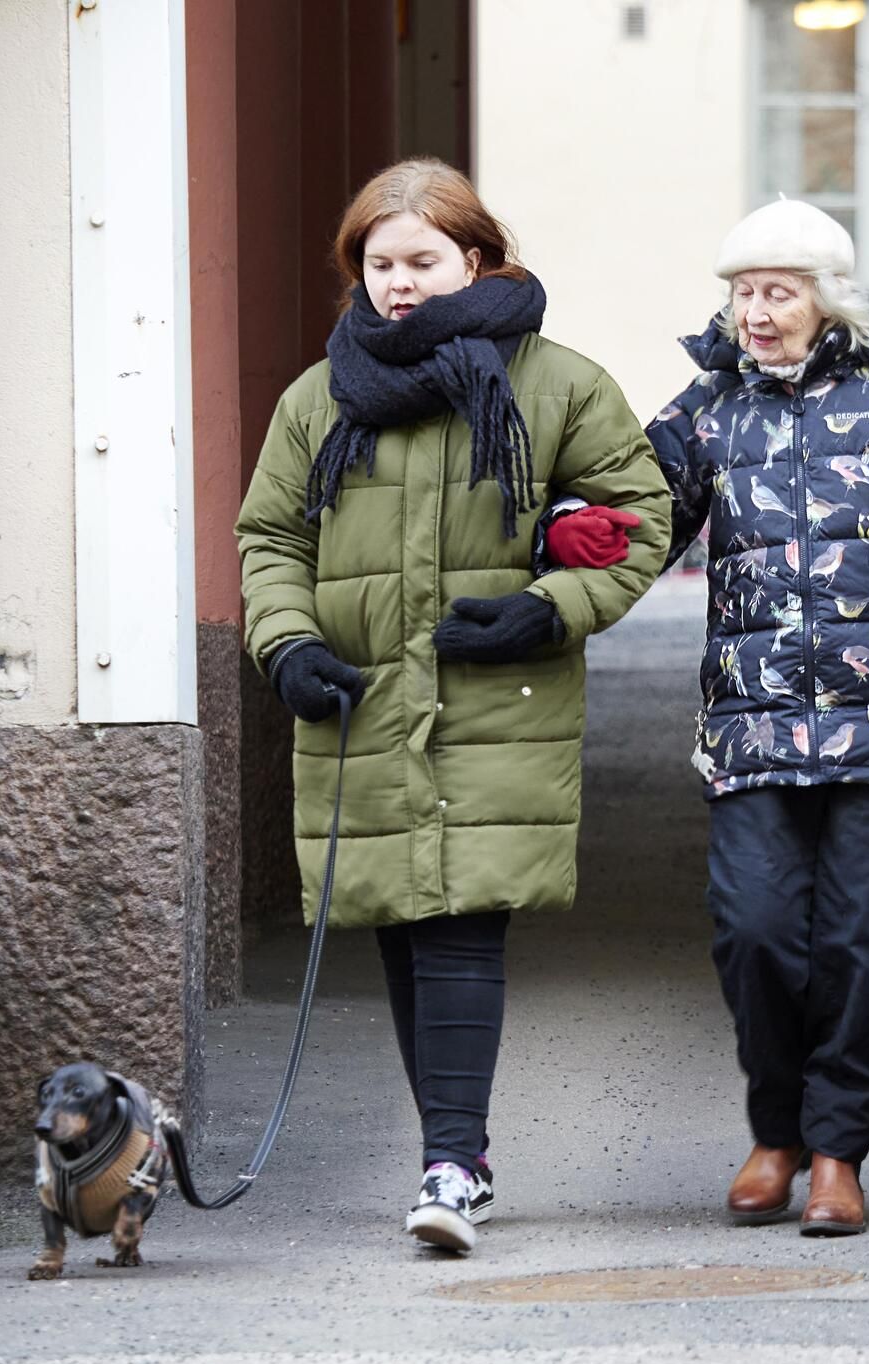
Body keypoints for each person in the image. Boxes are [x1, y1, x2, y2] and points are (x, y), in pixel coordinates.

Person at [235, 157, 671, 1256]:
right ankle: (452, 1156)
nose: (399, 284)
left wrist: (546, 608)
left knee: (462, 923)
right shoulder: (317, 397)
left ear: (474, 260)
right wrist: (289, 646)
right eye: (380, 264)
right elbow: (272, 538)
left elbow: (639, 518)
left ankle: (451, 1163)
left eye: (421, 262)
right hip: (367, 701)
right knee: (401, 921)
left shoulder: (559, 384)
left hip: (496, 698)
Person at [612, 199, 869, 1236]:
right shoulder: (711, 407)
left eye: (777, 292)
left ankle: (835, 1152)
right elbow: (636, 519)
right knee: (757, 931)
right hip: (757, 722)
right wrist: (558, 541)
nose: (755, 314)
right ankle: (776, 1130)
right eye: (741, 293)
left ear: (829, 300)